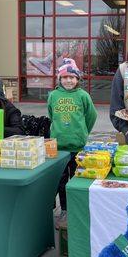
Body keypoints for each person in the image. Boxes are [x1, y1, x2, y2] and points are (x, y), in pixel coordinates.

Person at [48, 58, 97, 227]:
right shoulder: (53, 95)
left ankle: (78, 208)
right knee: (61, 181)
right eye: (65, 77)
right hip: (59, 148)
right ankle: (65, 209)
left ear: (78, 79)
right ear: (59, 79)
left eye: (72, 77)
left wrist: (83, 132)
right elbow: (51, 115)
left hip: (78, 147)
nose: (68, 80)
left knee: (77, 180)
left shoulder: (83, 96)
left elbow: (92, 116)